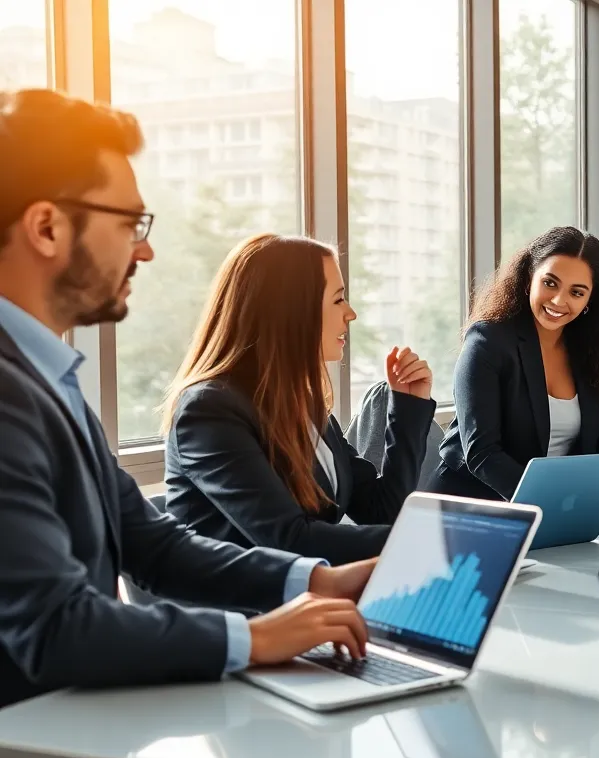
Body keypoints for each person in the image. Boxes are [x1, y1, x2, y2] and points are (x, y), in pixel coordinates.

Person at [0, 88, 375, 710]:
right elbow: (55, 627)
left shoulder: (45, 375)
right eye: (129, 224)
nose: (144, 249)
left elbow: (152, 544)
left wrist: (316, 580)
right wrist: (253, 637)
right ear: (47, 227)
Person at [162, 234, 437, 566]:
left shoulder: (302, 403)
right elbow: (291, 540)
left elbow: (381, 511)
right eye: (338, 300)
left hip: (309, 598)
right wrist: (437, 537)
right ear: (293, 311)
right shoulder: (208, 410)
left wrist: (407, 406)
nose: (351, 314)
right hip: (242, 612)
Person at [427, 226, 599, 512]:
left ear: (590, 299)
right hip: (470, 507)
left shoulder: (593, 351)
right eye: (550, 283)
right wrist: (585, 503)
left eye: (577, 292)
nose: (558, 301)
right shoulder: (487, 342)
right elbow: (483, 455)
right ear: (530, 278)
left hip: (555, 511)